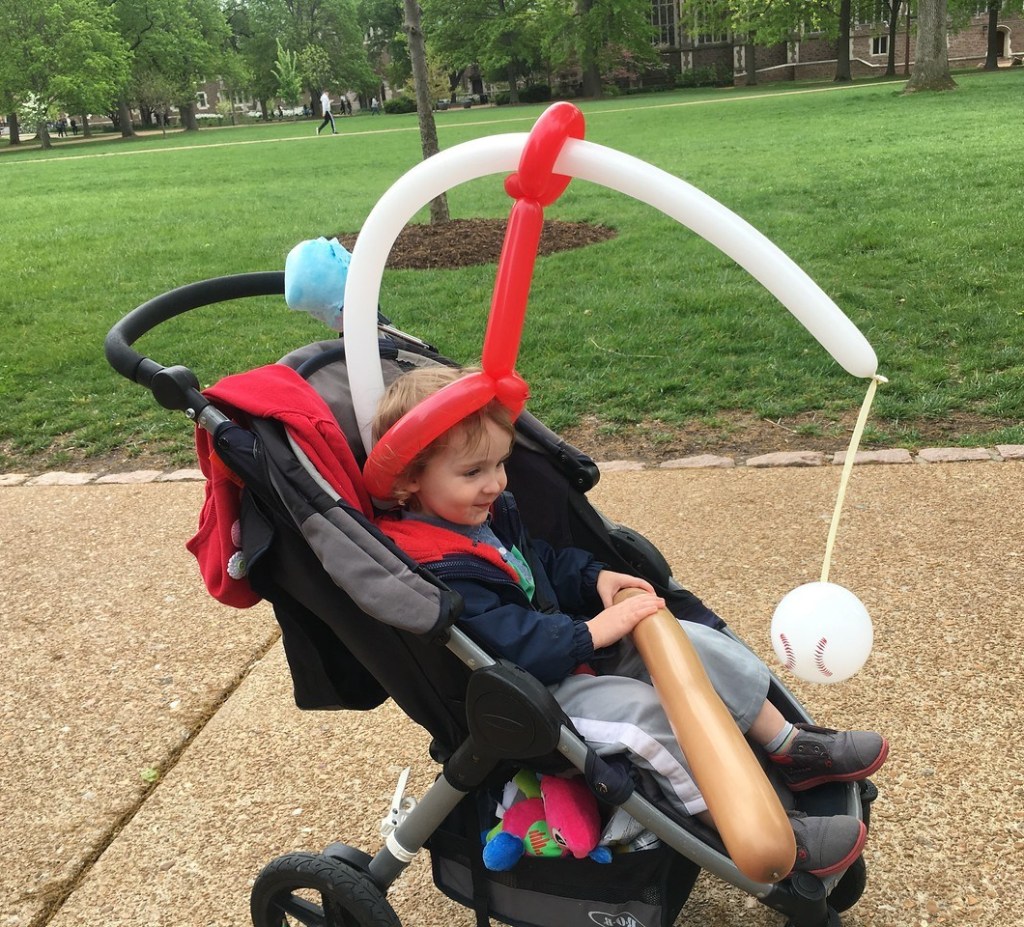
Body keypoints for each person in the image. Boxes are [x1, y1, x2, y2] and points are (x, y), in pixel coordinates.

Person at [373, 366, 889, 879]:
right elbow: (504, 640)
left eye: (501, 463)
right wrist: (594, 631)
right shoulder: (429, 567)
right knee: (645, 720)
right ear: (409, 480)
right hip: (530, 699)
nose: (495, 483)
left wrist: (593, 577)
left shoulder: (484, 515)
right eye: (473, 473)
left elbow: (541, 563)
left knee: (693, 642)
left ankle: (787, 745)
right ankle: (751, 835)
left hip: (572, 651)